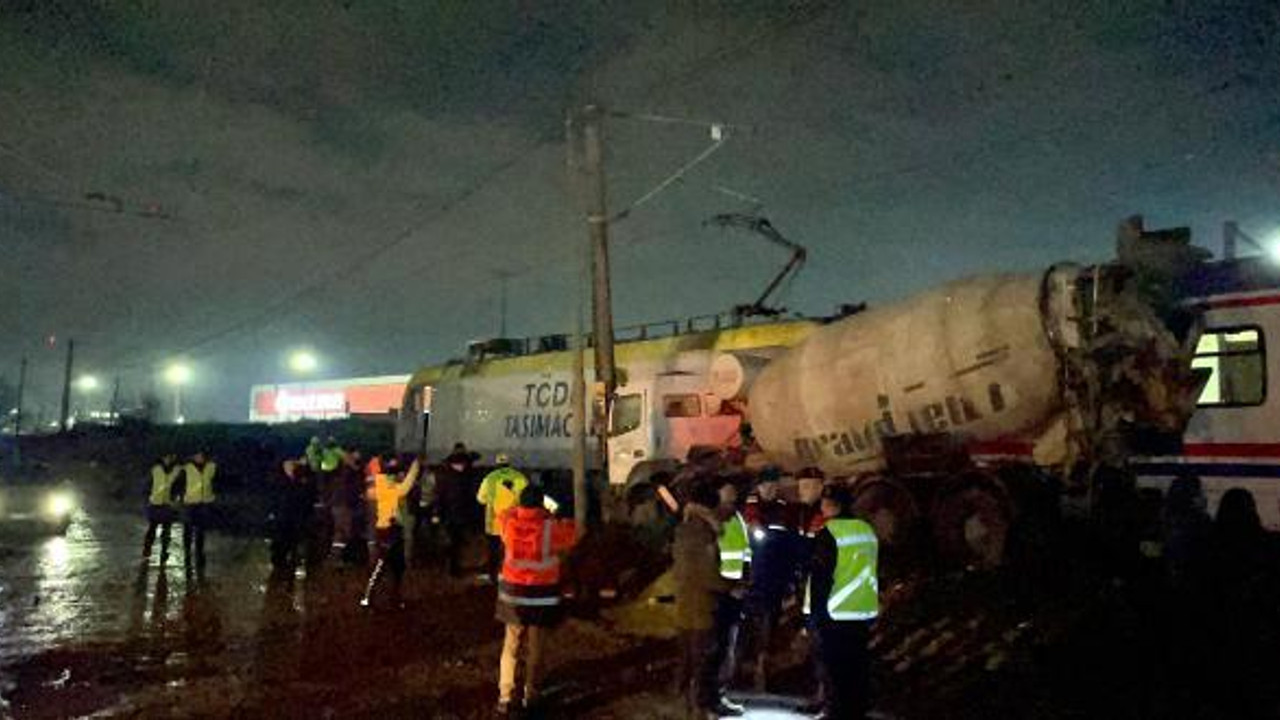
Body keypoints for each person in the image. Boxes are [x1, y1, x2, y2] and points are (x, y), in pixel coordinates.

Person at [494, 485, 577, 714]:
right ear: (541, 504)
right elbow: (573, 534)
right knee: (536, 648)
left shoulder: (509, 524)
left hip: (513, 594)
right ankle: (531, 694)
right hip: (542, 596)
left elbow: (502, 514)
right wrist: (550, 514)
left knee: (511, 644)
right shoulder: (550, 529)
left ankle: (505, 694)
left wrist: (516, 508)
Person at [807, 484, 878, 720]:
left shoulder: (829, 533)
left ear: (829, 505)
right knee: (858, 667)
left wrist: (815, 616)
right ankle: (858, 711)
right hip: (863, 611)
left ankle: (836, 712)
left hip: (835, 613)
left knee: (835, 670)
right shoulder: (867, 530)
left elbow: (821, 578)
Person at [673, 479, 742, 719]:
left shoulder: (684, 528)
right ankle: (697, 709)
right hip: (703, 606)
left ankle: (687, 705)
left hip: (687, 604)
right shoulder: (702, 533)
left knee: (690, 658)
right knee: (703, 660)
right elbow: (707, 574)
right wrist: (731, 587)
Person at [739, 467, 796, 691]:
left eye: (774, 485)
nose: (770, 489)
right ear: (759, 486)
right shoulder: (750, 508)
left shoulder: (783, 509)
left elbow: (788, 542)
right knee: (748, 624)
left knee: (769, 624)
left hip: (775, 577)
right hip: (753, 577)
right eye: (766, 485)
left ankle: (763, 668)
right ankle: (742, 668)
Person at [361, 454, 421, 609]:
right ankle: (369, 597)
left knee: (396, 567)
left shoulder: (382, 484)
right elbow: (404, 488)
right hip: (387, 531)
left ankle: (391, 597)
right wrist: (415, 468)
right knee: (381, 566)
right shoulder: (386, 486)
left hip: (392, 529)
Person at [478, 454, 528, 583]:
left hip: (494, 522)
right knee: (511, 550)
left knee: (493, 551)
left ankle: (492, 577)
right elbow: (527, 498)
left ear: (496, 464)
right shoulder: (520, 478)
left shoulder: (490, 479)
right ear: (509, 464)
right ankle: (510, 575)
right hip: (513, 522)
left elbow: (481, 499)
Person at [435, 444, 479, 577]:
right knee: (453, 542)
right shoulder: (462, 476)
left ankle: (451, 566)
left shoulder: (448, 475)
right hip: (453, 515)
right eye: (460, 464)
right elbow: (440, 496)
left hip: (454, 514)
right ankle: (451, 567)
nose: (462, 466)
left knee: (455, 542)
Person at [272, 457, 319, 576]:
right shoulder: (279, 479)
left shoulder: (302, 478)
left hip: (298, 514)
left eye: (292, 464)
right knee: (281, 539)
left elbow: (310, 493)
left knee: (296, 539)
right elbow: (275, 496)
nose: (290, 466)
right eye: (287, 464)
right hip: (283, 515)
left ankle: (293, 561)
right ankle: (279, 563)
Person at [181, 450, 217, 574]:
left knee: (201, 529)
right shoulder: (187, 468)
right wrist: (180, 497)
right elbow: (180, 483)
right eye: (196, 455)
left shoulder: (211, 467)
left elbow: (217, 481)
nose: (199, 458)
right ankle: (186, 551)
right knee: (188, 528)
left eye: (201, 456)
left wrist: (214, 495)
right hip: (190, 502)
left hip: (204, 502)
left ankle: (199, 552)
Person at [142, 453, 182, 564]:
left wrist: (176, 499)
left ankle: (164, 553)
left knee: (166, 531)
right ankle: (147, 550)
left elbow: (178, 486)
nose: (169, 459)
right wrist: (147, 498)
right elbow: (148, 484)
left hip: (168, 504)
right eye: (167, 457)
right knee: (152, 528)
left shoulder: (176, 470)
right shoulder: (156, 469)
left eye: (171, 457)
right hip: (155, 503)